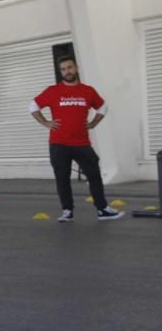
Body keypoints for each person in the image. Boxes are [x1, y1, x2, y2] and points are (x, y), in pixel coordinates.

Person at [30, 56, 124, 222]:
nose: (67, 71)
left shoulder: (87, 91)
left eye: (70, 67)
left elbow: (103, 107)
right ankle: (67, 212)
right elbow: (33, 106)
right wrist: (45, 122)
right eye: (64, 69)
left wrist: (94, 123)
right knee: (62, 178)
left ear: (76, 68)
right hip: (58, 143)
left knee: (94, 175)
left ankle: (102, 209)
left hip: (82, 143)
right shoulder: (53, 91)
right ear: (61, 72)